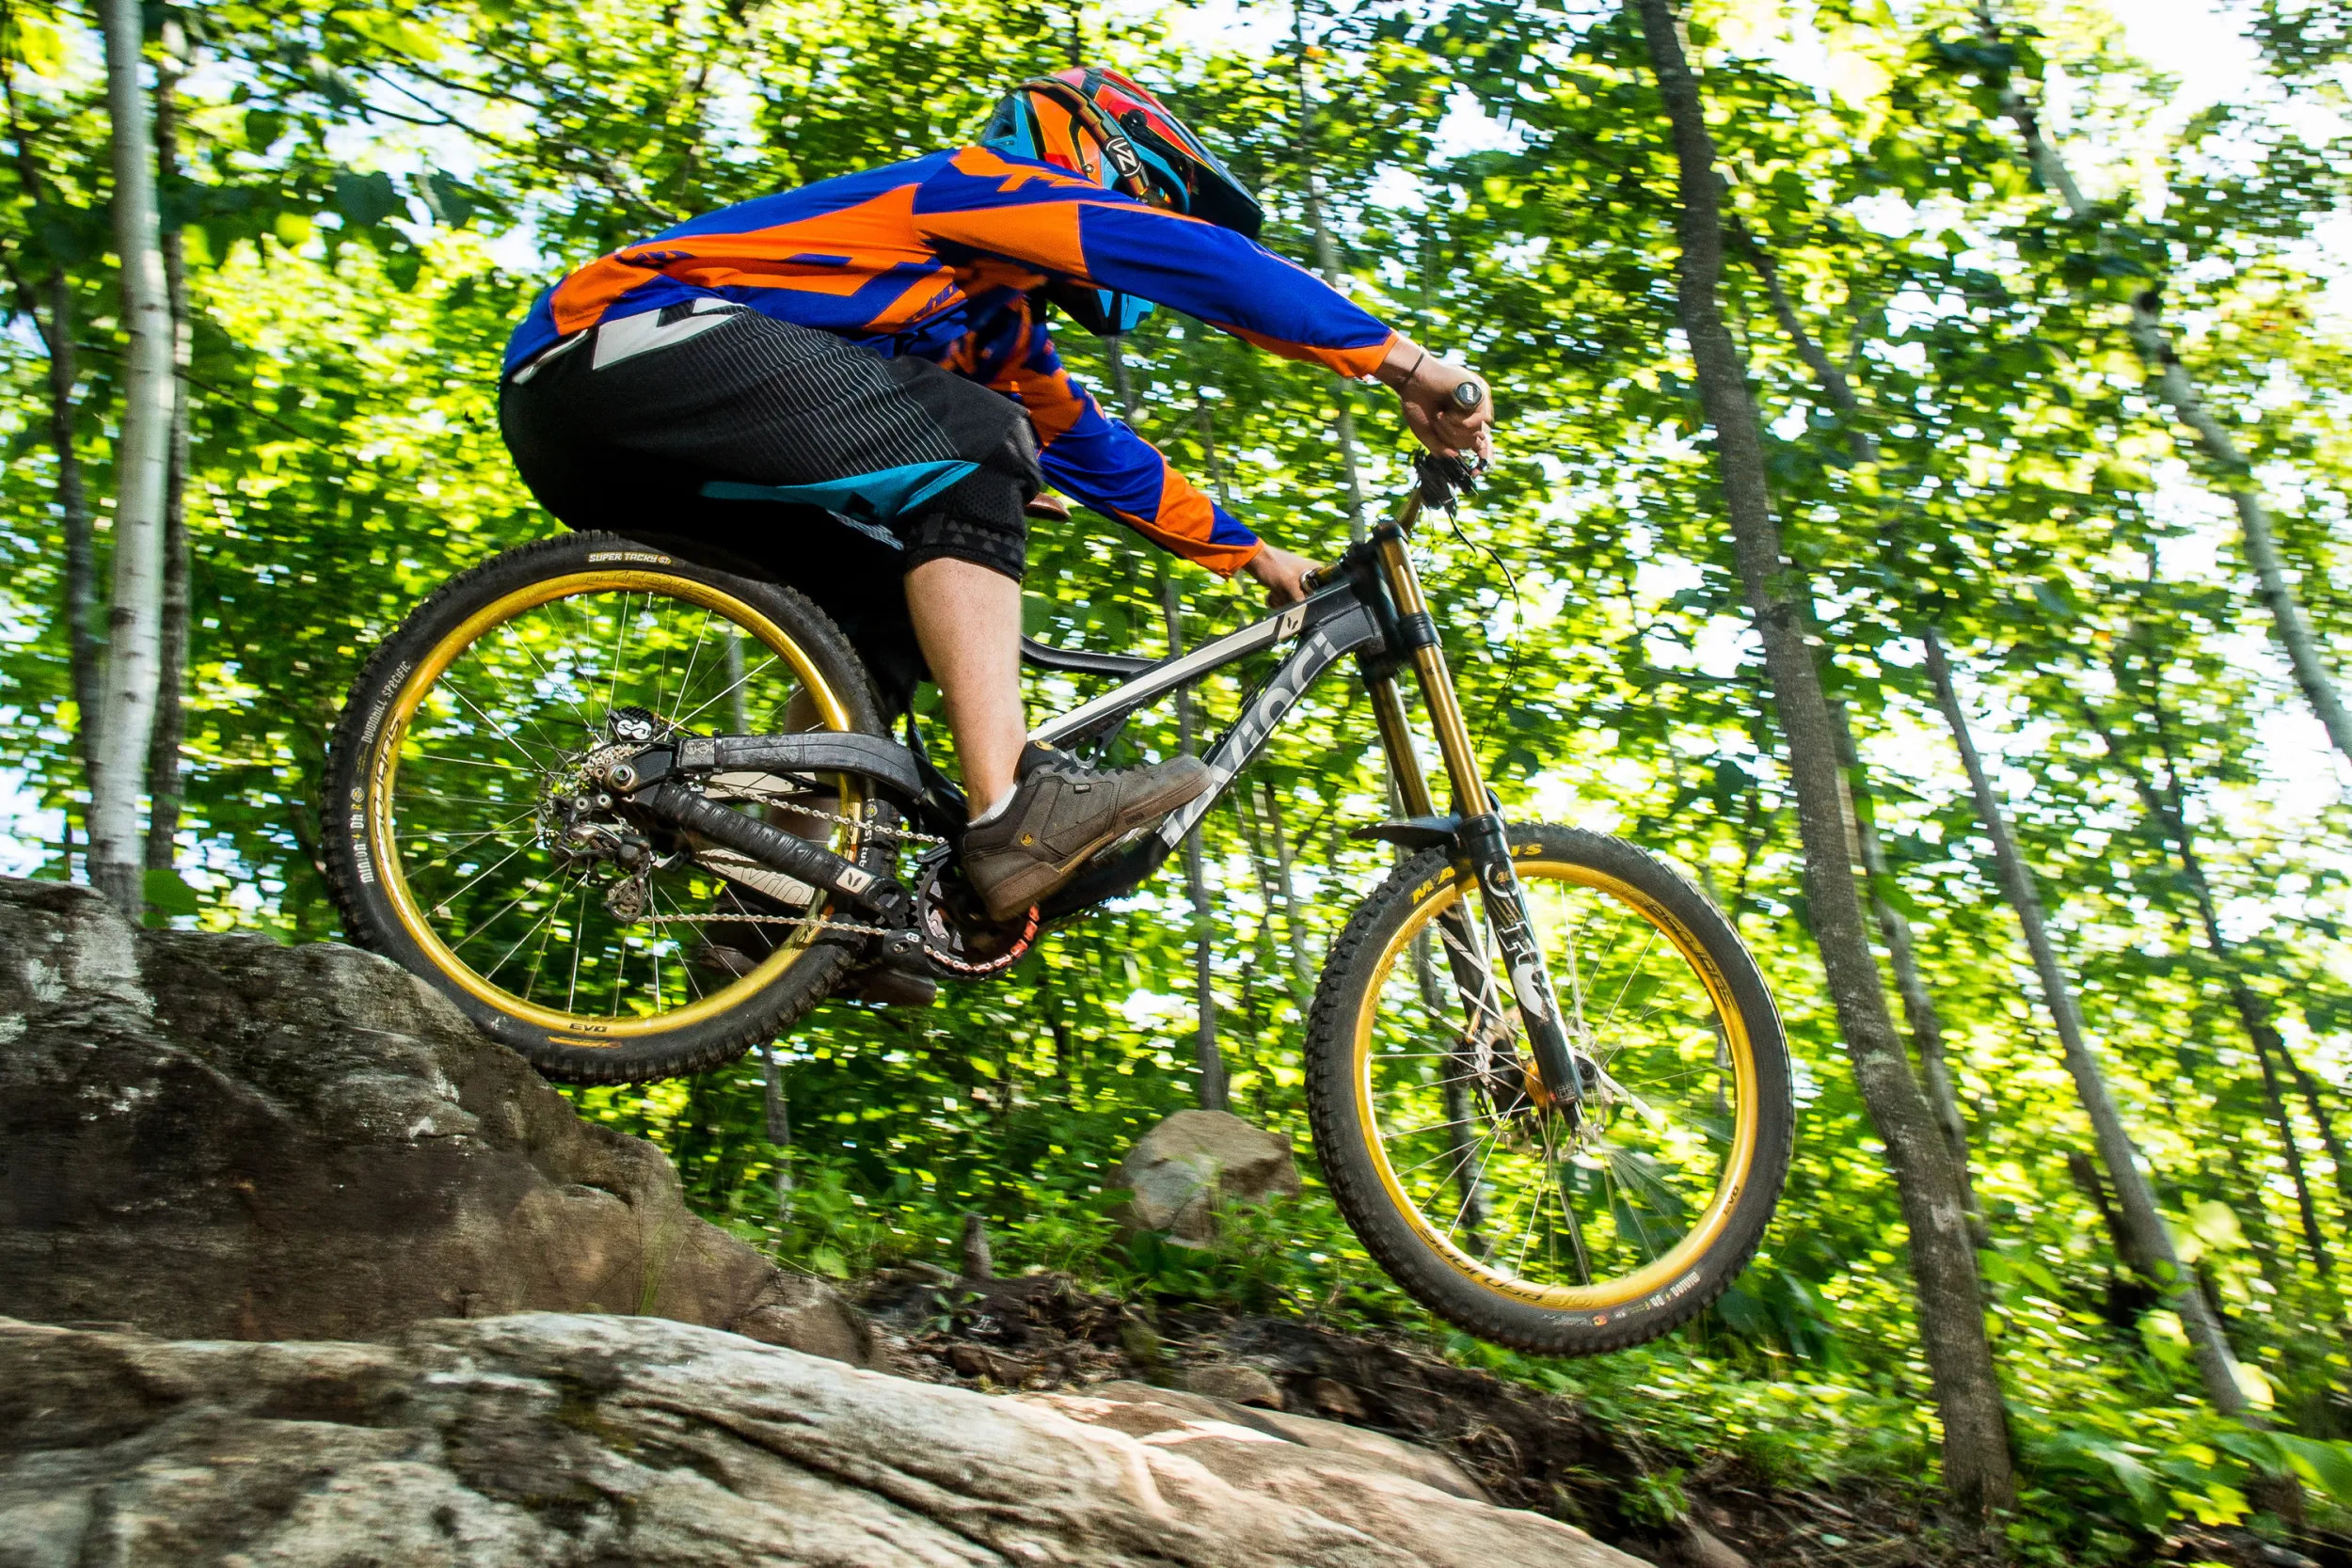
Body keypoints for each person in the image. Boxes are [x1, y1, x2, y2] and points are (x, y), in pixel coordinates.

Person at [500, 65, 1493, 927]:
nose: (1149, 226)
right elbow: (1209, 265)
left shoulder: (991, 327)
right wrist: (1405, 366)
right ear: (1100, 154)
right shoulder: (971, 189)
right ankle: (1008, 806)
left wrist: (1253, 556)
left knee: (888, 610)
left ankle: (773, 903)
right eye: (1149, 198)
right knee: (978, 444)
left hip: (624, 436)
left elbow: (1098, 452)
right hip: (607, 353)